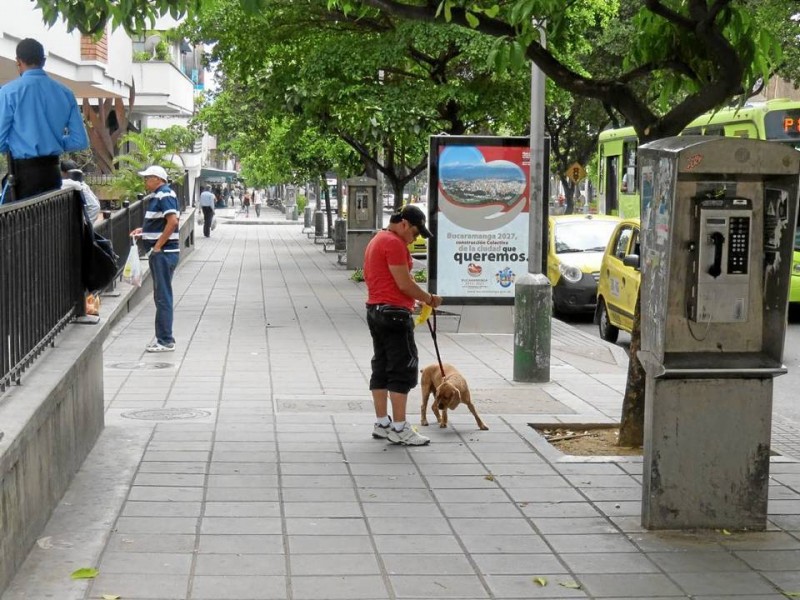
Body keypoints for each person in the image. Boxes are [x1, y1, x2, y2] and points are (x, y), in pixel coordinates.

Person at [364, 204, 443, 446]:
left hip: (376, 309)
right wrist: (429, 299)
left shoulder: (378, 239)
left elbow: (386, 281)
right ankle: (399, 427)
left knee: (382, 366)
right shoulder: (394, 243)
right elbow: (404, 284)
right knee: (402, 369)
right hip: (394, 315)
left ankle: (382, 423)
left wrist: (410, 301)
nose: (415, 239)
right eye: (416, 233)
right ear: (404, 224)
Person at [0, 38, 88, 204]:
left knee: (17, 227)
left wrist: (15, 143)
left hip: (22, 177)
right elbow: (80, 141)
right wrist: (53, 141)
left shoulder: (8, 93)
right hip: (52, 175)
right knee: (49, 227)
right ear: (44, 61)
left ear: (18, 62)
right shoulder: (65, 93)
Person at [131, 166, 180, 353]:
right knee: (161, 295)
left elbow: (173, 221)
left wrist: (158, 246)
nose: (145, 182)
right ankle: (164, 338)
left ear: (157, 179)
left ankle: (165, 340)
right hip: (163, 252)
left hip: (163, 253)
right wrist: (145, 232)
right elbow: (163, 222)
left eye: (147, 178)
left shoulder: (164, 194)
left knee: (163, 296)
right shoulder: (161, 195)